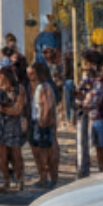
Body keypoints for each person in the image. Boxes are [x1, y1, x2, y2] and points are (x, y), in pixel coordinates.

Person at [0, 59, 28, 195]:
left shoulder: (19, 89)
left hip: (14, 126)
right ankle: (6, 180)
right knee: (2, 156)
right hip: (1, 125)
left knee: (16, 154)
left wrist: (3, 109)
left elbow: (17, 109)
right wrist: (3, 108)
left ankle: (20, 178)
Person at [29, 54, 59, 190]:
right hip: (38, 121)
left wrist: (43, 121)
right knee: (42, 152)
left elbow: (47, 106)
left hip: (42, 123)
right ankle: (44, 178)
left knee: (46, 153)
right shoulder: (39, 87)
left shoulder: (45, 87)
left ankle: (49, 179)